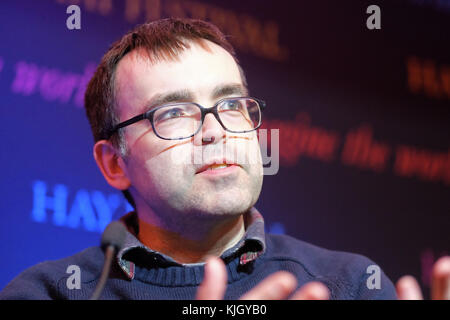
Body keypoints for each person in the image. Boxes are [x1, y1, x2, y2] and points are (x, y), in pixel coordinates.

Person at [1, 18, 449, 300]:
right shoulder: (50, 293)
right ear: (113, 163)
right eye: (173, 113)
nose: (215, 131)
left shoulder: (347, 284)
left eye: (231, 104)